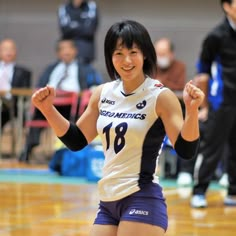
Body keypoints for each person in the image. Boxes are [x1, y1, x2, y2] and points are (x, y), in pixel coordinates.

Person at [30, 20, 204, 236]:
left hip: (142, 197)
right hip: (108, 200)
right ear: (110, 57)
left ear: (146, 55)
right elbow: (76, 140)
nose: (126, 60)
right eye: (118, 53)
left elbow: (186, 150)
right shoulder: (102, 93)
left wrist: (193, 110)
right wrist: (48, 109)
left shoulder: (161, 96)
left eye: (133, 52)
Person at [19, 39, 103, 162]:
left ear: (75, 51)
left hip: (74, 107)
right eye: (62, 49)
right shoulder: (51, 69)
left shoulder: (86, 69)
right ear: (58, 53)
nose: (66, 52)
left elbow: (95, 86)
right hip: (51, 103)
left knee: (79, 117)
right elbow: (40, 85)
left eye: (69, 48)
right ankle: (28, 149)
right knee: (37, 113)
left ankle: (71, 156)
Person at [191, 0, 236, 208]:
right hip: (222, 100)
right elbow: (202, 71)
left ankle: (233, 193)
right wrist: (205, 105)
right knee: (213, 147)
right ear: (226, 6)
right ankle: (199, 191)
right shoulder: (216, 36)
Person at [154, 38, 194, 185]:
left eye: (163, 53)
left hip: (175, 110)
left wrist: (160, 85)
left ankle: (186, 171)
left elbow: (177, 89)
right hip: (152, 111)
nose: (160, 57)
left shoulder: (179, 67)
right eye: (158, 53)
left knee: (189, 131)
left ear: (171, 54)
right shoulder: (150, 66)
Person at [0, 38, 32, 129]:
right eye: (5, 49)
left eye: (11, 49)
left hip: (13, 106)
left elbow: (25, 93)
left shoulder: (24, 72)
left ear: (16, 52)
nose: (8, 52)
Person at [58, 0, 99, 64]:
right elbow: (65, 30)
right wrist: (82, 26)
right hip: (68, 52)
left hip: (85, 53)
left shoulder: (91, 6)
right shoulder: (64, 8)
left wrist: (73, 26)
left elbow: (89, 30)